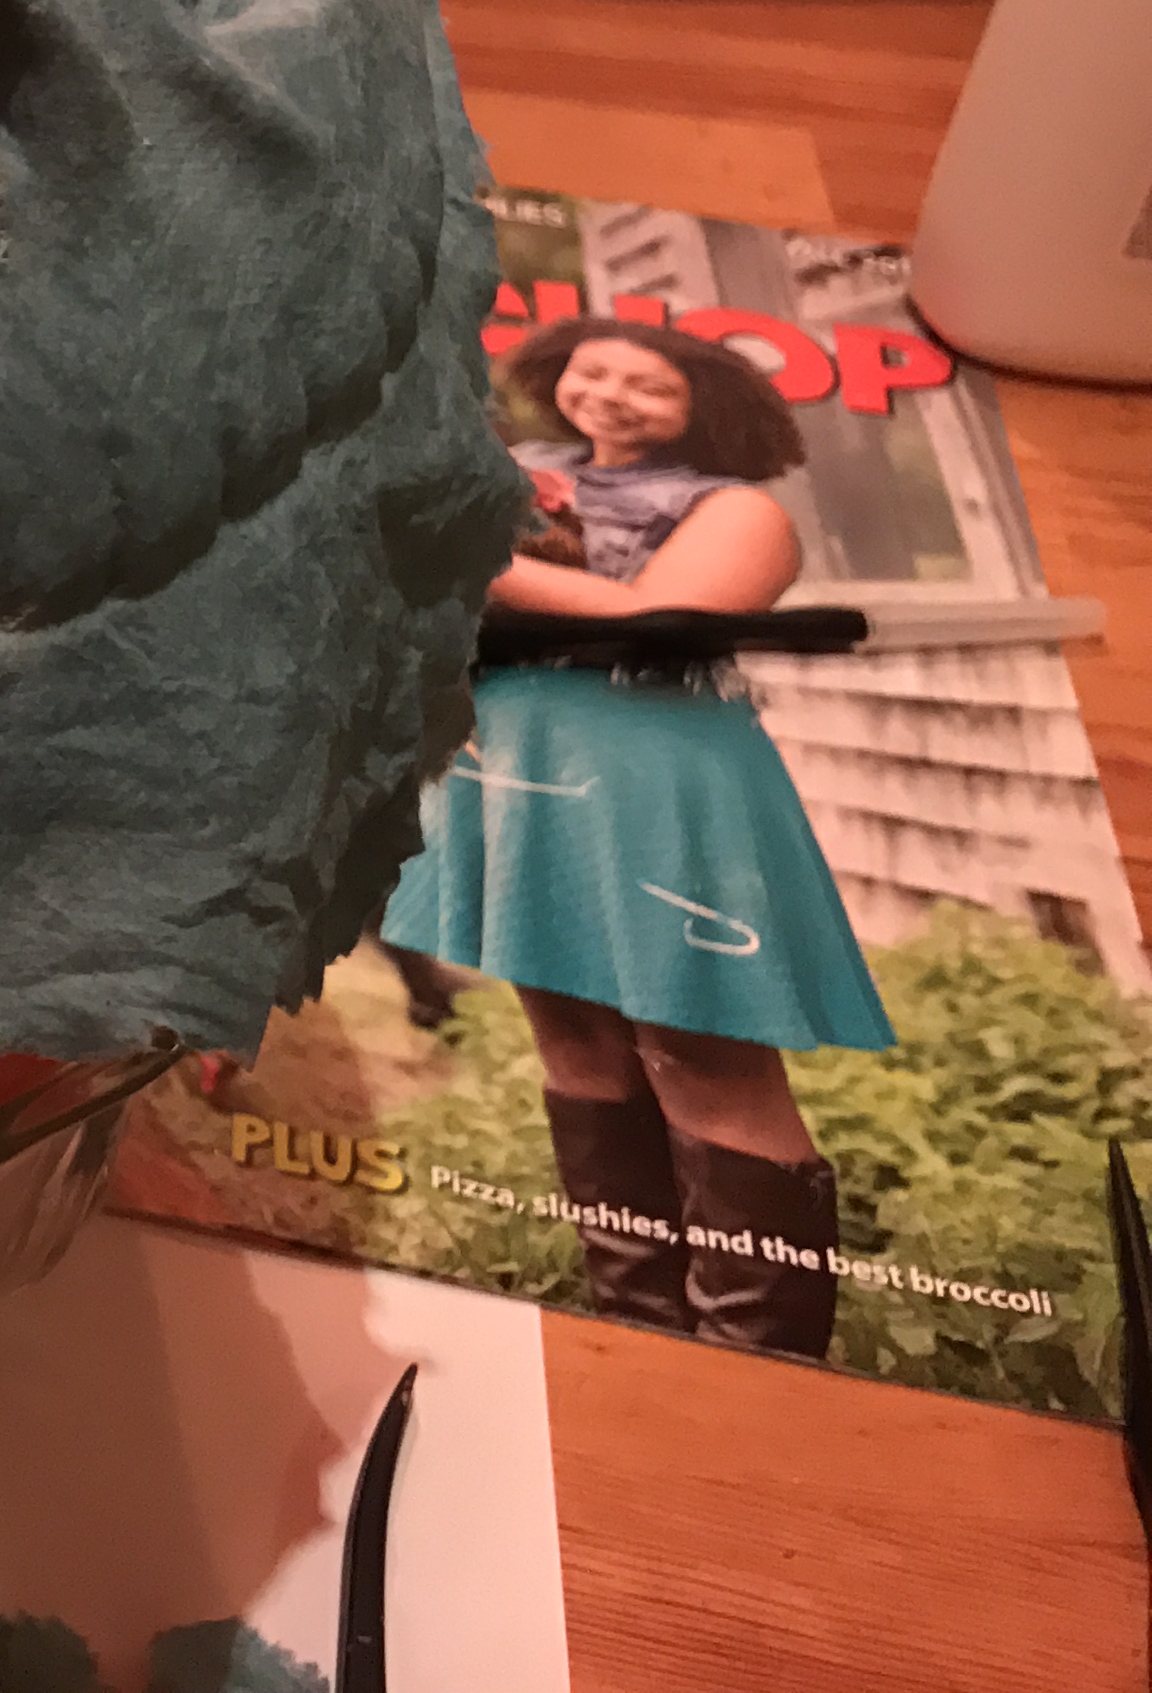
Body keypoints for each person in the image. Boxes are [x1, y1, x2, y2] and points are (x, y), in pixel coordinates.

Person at [382, 316, 892, 1357]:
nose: (613, 394)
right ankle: (642, 1323)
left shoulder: (737, 509)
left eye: (650, 385)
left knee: (700, 1048)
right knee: (572, 1035)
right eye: (597, 370)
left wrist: (464, 560)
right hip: (510, 764)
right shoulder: (523, 471)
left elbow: (663, 620)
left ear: (707, 408)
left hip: (657, 773)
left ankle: (756, 1355)